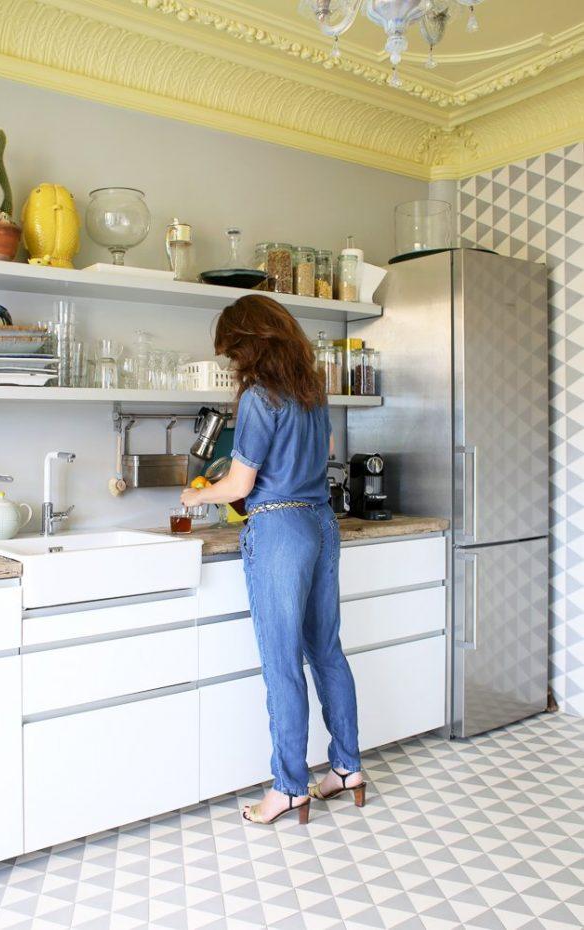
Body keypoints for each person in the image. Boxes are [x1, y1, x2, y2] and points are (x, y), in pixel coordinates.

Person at [181, 293, 365, 825]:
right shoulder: (313, 393)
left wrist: (198, 495)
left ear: (251, 344)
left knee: (283, 662)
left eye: (233, 351)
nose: (233, 363)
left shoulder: (261, 399)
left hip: (280, 528)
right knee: (327, 650)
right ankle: (347, 768)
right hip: (320, 521)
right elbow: (323, 450)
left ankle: (288, 788)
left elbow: (240, 483)